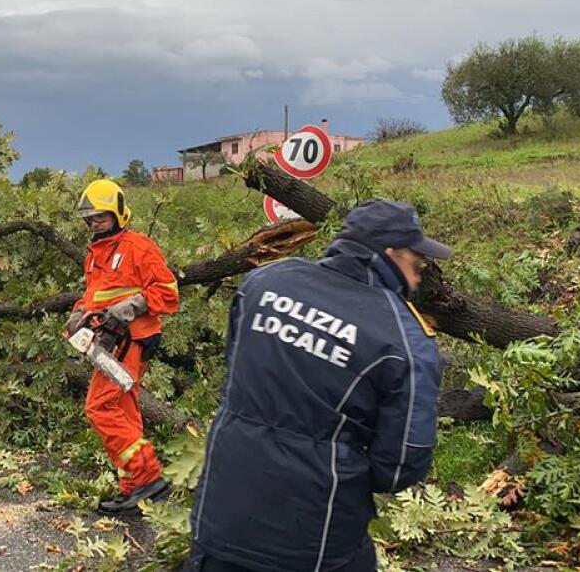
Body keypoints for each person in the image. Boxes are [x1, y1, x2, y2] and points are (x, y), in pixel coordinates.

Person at [186, 199, 450, 572]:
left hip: (222, 512)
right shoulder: (405, 340)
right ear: (391, 254)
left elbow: (235, 370)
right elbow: (400, 466)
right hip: (315, 538)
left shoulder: (263, 283)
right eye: (417, 262)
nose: (420, 274)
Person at [64, 179, 180, 516]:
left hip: (133, 338)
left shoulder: (138, 247)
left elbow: (168, 292)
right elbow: (94, 295)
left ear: (117, 212)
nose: (94, 224)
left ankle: (147, 479)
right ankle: (135, 488)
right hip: (108, 340)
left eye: (99, 217)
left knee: (100, 407)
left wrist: (132, 306)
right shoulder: (96, 254)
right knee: (125, 410)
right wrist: (78, 313)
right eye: (89, 219)